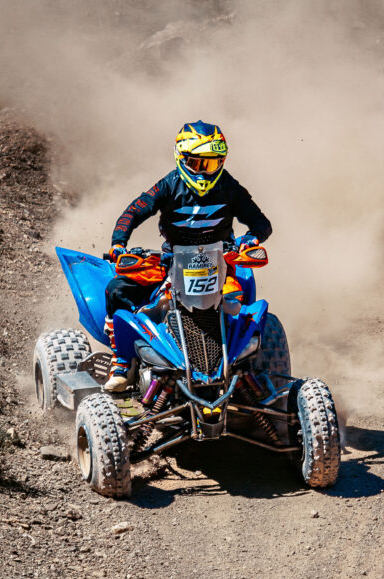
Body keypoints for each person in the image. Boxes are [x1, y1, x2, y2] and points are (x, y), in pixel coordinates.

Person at [102, 121, 272, 392]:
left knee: (245, 307)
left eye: (214, 163)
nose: (207, 171)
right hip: (171, 264)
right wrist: (119, 244)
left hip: (220, 265)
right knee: (116, 290)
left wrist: (251, 239)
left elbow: (261, 223)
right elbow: (132, 213)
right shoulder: (169, 185)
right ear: (181, 158)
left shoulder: (229, 186)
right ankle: (121, 360)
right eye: (198, 163)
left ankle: (250, 367)